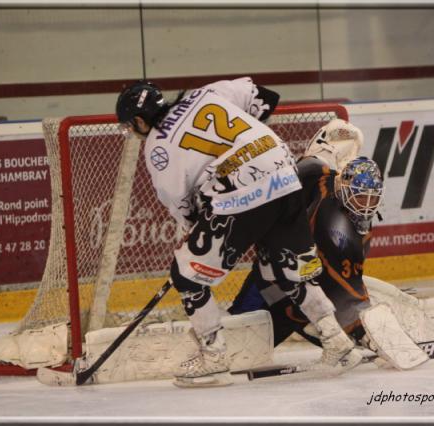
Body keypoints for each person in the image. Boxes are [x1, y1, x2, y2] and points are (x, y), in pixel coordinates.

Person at [115, 77, 362, 387]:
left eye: (130, 126)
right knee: (290, 269)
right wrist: (249, 149)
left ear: (139, 120)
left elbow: (181, 205)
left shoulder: (156, 147)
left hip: (239, 192)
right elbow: (264, 96)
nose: (133, 132)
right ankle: (337, 341)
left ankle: (213, 356)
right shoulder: (207, 93)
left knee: (186, 274)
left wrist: (195, 232)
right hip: (285, 175)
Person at [230, 154, 384, 349]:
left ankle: (337, 335)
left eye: (372, 197)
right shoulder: (328, 203)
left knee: (346, 344)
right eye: (361, 196)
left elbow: (347, 284)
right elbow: (343, 285)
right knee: (239, 343)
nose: (366, 204)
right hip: (274, 282)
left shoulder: (358, 229)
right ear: (344, 188)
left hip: (307, 299)